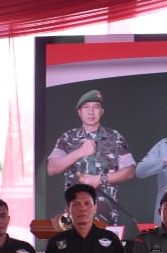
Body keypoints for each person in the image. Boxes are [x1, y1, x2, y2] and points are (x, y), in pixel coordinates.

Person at [46, 89, 136, 224]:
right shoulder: (67, 137)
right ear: (79, 112)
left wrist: (100, 179)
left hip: (108, 216)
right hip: (75, 217)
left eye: (96, 107)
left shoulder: (115, 137)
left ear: (102, 111)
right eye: (86, 107)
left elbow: (130, 171)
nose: (91, 112)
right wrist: (80, 152)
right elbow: (52, 168)